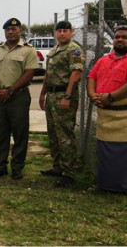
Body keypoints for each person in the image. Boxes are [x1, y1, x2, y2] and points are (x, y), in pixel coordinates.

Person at [0, 18, 38, 180]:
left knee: (20, 133)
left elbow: (29, 73)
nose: (10, 31)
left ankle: (17, 167)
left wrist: (11, 91)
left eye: (14, 29)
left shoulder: (28, 50)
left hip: (19, 97)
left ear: (20, 31)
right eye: (7, 29)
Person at [39, 21, 84, 187]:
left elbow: (76, 73)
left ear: (71, 32)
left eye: (65, 31)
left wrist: (67, 95)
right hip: (52, 95)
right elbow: (48, 75)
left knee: (65, 134)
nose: (62, 34)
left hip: (64, 95)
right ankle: (57, 167)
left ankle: (69, 172)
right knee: (53, 133)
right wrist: (43, 94)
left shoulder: (74, 50)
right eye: (59, 31)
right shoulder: (54, 50)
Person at [87, 26, 127, 193]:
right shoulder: (104, 60)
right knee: (104, 152)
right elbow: (91, 77)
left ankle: (121, 187)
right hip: (104, 115)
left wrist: (110, 97)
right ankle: (103, 184)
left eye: (124, 37)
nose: (119, 39)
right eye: (117, 36)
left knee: (121, 153)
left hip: (123, 117)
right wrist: (93, 95)